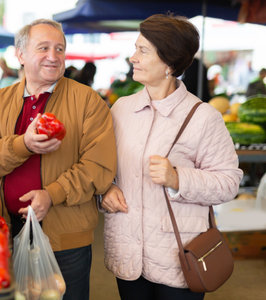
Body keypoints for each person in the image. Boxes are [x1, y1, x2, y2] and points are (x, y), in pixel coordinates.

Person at [0, 19, 117, 300]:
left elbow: (98, 167)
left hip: (66, 239)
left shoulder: (88, 101)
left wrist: (52, 195)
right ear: (20, 55)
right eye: (44, 48)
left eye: (59, 49)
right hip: (9, 230)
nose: (53, 56)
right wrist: (23, 144)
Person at [101, 14, 243, 300]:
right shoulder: (120, 111)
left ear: (168, 62)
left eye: (142, 51)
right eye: (135, 49)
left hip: (178, 258)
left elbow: (229, 182)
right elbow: (104, 167)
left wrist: (178, 178)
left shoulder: (203, 117)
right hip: (128, 252)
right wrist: (104, 190)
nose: (133, 58)